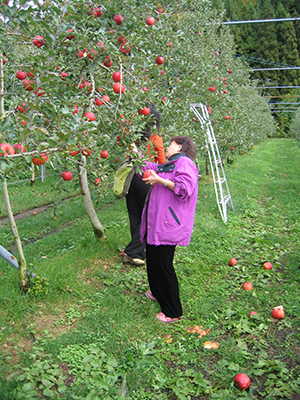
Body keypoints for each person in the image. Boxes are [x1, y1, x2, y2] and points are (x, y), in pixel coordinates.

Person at [140, 136, 198, 323]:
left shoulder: (184, 163)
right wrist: (134, 152)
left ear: (180, 146)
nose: (166, 147)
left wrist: (160, 181)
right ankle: (158, 293)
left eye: (171, 144)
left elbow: (184, 188)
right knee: (154, 260)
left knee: (164, 265)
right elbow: (153, 168)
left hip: (167, 223)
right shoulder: (171, 163)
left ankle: (173, 311)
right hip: (157, 222)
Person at [123, 105, 165, 266]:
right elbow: (161, 163)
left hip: (130, 179)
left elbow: (130, 156)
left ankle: (138, 252)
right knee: (148, 217)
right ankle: (132, 251)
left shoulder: (133, 136)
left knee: (135, 216)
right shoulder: (156, 138)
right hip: (147, 180)